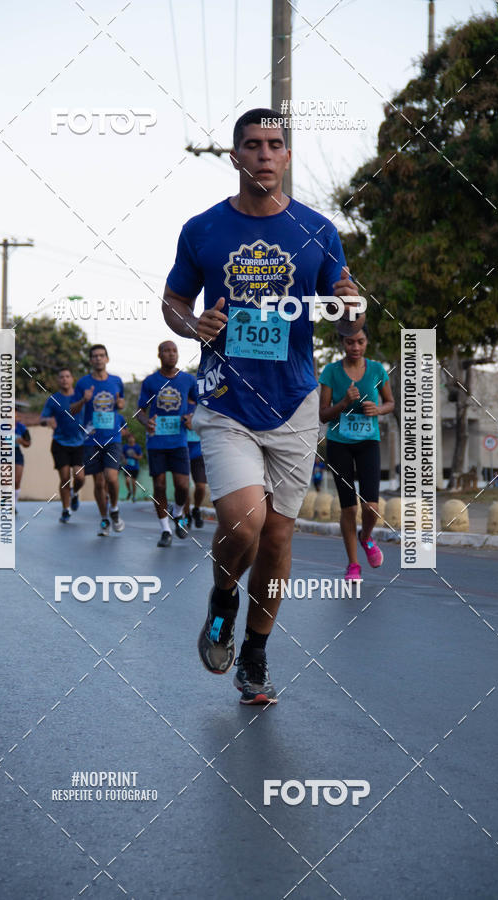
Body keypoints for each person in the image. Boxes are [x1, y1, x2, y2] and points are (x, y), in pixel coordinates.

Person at [161, 107, 363, 704]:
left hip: (295, 402)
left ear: (287, 156)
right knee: (243, 521)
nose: (265, 154)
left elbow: (345, 314)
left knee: (276, 538)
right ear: (235, 156)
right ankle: (224, 599)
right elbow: (173, 301)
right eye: (253, 145)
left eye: (275, 145)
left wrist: (351, 307)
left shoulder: (318, 230)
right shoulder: (203, 229)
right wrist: (194, 324)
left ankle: (254, 654)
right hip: (227, 401)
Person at [318, 325, 394, 581]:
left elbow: (390, 403)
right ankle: (353, 564)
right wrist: (344, 403)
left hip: (368, 442)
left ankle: (366, 536)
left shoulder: (377, 370)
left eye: (360, 341)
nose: (355, 347)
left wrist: (378, 410)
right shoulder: (331, 372)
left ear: (366, 342)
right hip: (339, 444)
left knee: (371, 507)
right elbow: (323, 414)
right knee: (349, 508)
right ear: (342, 343)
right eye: (350, 342)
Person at [136, 341, 197, 547]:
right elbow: (139, 411)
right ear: (159, 355)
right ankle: (165, 530)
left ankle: (178, 513)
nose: (171, 354)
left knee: (182, 486)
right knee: (159, 485)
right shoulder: (150, 381)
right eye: (167, 351)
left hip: (179, 441)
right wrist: (146, 422)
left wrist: (191, 416)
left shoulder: (188, 380)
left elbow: (200, 403)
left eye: (174, 351)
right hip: (156, 442)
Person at [71, 345, 126, 536]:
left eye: (102, 355)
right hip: (91, 439)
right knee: (99, 482)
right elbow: (72, 410)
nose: (98, 359)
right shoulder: (83, 383)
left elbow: (121, 402)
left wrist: (121, 404)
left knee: (111, 477)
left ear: (107, 359)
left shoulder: (117, 381)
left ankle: (115, 509)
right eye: (94, 356)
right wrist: (83, 400)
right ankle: (104, 520)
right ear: (90, 360)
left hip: (113, 437)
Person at [40, 367, 86, 523]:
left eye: (67, 376)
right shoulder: (53, 399)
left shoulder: (81, 397)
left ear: (72, 379)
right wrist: (47, 421)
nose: (64, 379)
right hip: (60, 443)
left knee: (80, 477)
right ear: (58, 380)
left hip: (79, 442)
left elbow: (91, 415)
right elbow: (42, 419)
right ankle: (66, 510)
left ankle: (75, 493)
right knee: (65, 477)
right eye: (61, 377)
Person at [183, 406, 206, 528]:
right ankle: (186, 515)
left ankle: (196, 509)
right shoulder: (181, 404)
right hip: (182, 452)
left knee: (201, 486)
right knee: (184, 487)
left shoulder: (202, 404)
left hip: (199, 453)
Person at [14, 418, 31, 512]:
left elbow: (28, 443)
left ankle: (13, 505)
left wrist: (21, 441)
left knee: (17, 481)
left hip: (17, 454)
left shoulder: (22, 428)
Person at [122, 433, 143, 501]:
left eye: (132, 438)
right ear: (128, 439)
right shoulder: (125, 447)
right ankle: (129, 491)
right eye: (129, 438)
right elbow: (122, 454)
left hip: (135, 467)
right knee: (127, 481)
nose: (131, 439)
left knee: (133, 483)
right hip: (127, 467)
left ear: (134, 439)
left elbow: (140, 456)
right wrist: (124, 459)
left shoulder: (137, 447)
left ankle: (134, 496)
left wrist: (135, 456)